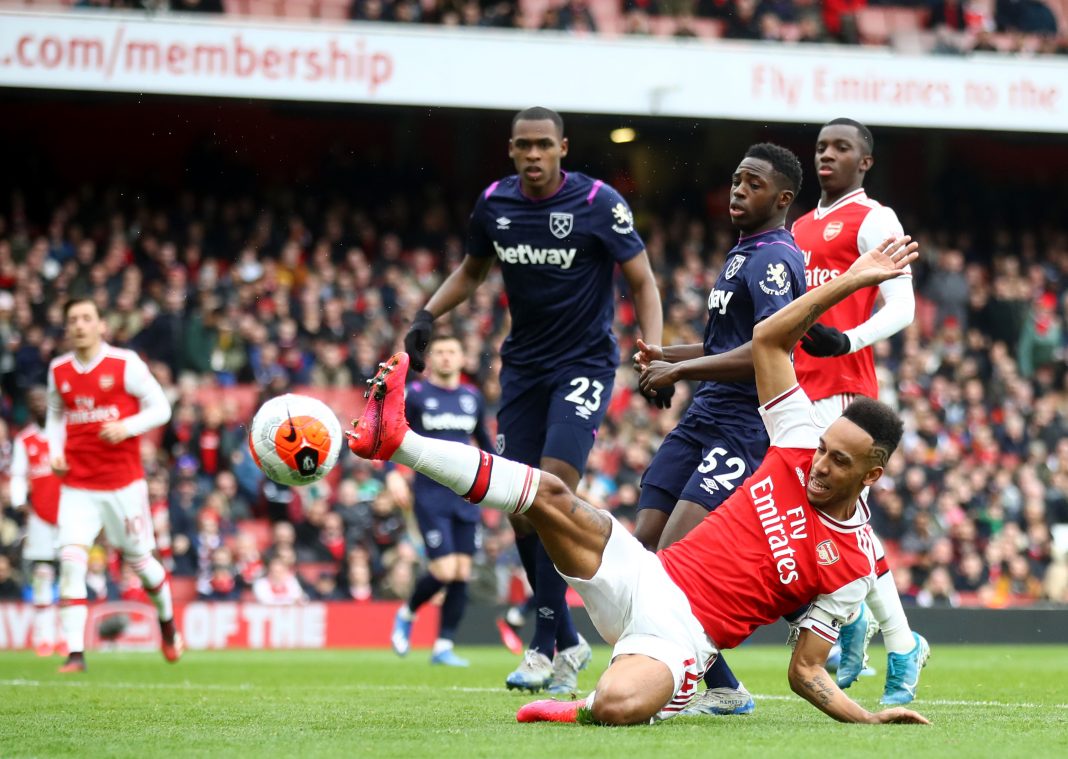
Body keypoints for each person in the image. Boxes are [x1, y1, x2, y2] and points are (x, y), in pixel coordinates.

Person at [348, 235, 929, 726]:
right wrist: (851, 280)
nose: (821, 466)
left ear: (872, 475)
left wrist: (868, 718)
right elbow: (772, 340)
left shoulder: (853, 564)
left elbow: (805, 672)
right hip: (646, 574)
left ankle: (587, 705)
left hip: (683, 636)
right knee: (550, 497)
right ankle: (398, 441)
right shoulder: (798, 440)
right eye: (824, 451)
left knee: (624, 705)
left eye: (839, 463)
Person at [402, 106, 665, 694]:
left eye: (544, 145)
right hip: (521, 370)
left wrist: (655, 352)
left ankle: (545, 649)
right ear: (512, 149)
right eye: (524, 146)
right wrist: (426, 314)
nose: (534, 155)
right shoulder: (495, 203)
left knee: (550, 488)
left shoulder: (598, 203)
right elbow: (472, 272)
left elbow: (642, 279)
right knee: (520, 507)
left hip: (585, 365)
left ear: (563, 148)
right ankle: (566, 637)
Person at [632, 142, 807, 714]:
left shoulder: (775, 258)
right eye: (735, 180)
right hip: (704, 414)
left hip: (742, 425)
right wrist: (667, 353)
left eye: (752, 184)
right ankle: (724, 685)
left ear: (782, 198)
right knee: (644, 551)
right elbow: (724, 346)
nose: (737, 190)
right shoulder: (743, 252)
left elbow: (768, 349)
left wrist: (678, 368)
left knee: (678, 555)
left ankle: (685, 679)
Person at [790, 117, 928, 705]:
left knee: (846, 522)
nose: (828, 155)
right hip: (795, 391)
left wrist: (847, 340)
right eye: (822, 146)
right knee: (839, 524)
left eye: (841, 148)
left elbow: (904, 306)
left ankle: (892, 640)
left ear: (864, 162)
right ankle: (872, 631)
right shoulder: (797, 226)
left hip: (843, 391)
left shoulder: (875, 218)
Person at [47, 297, 181, 673]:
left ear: (101, 325)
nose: (79, 325)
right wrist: (55, 452)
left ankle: (168, 625)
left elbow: (161, 408)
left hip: (123, 484)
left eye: (86, 318)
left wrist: (128, 426)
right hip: (78, 484)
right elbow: (55, 415)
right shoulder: (59, 370)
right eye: (72, 319)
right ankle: (75, 654)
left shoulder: (125, 364)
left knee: (140, 562)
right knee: (70, 559)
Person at [390, 335, 493, 667]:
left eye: (453, 351)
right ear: (431, 359)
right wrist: (392, 473)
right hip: (430, 493)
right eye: (440, 352)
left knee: (462, 572)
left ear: (463, 358)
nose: (447, 358)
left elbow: (486, 444)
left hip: (466, 494)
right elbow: (395, 433)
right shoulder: (417, 395)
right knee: (444, 570)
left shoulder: (472, 397)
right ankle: (407, 612)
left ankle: (443, 646)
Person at [10, 386, 64, 656]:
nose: (40, 404)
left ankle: (67, 635)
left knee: (70, 571)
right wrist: (20, 503)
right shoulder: (25, 440)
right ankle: (44, 637)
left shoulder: (65, 435)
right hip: (40, 515)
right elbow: (18, 474)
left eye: (43, 399)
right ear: (29, 407)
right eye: (34, 401)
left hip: (68, 514)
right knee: (43, 573)